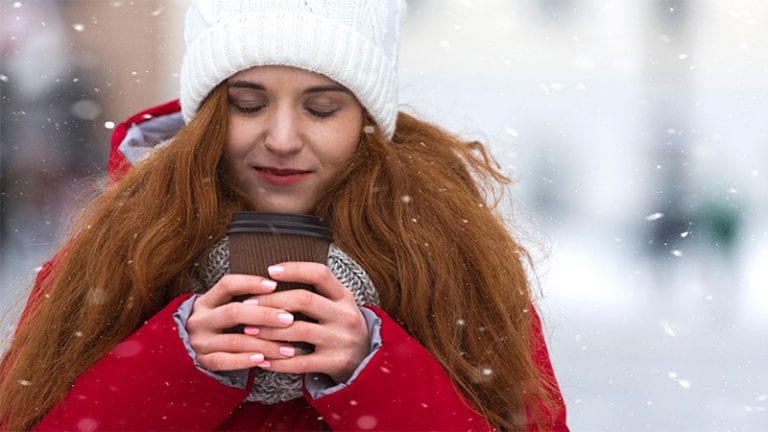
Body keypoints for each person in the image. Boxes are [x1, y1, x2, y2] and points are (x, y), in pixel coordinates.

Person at [0, 0, 569, 430]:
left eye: (322, 108)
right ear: (203, 117)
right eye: (247, 104)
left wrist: (372, 368)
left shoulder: (454, 257)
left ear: (367, 121)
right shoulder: (116, 246)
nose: (282, 138)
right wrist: (175, 361)